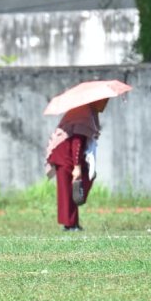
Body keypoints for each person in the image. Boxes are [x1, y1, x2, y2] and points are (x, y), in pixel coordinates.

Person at [44, 99, 107, 231]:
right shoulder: (83, 112)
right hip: (65, 154)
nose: (105, 103)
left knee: (78, 185)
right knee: (67, 190)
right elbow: (77, 141)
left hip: (71, 154)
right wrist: (77, 167)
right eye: (104, 100)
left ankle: (73, 223)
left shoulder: (89, 112)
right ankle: (70, 225)